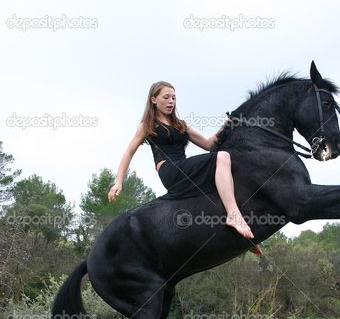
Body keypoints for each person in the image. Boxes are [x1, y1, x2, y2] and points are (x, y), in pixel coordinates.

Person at [108, 81, 262, 255]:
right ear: (153, 100)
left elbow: (208, 144)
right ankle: (234, 216)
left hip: (185, 168)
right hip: (170, 171)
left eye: (173, 97)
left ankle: (241, 235)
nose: (171, 101)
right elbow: (128, 152)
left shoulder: (181, 125)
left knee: (225, 177)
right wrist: (118, 182)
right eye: (166, 97)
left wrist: (225, 126)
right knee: (223, 157)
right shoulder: (147, 126)